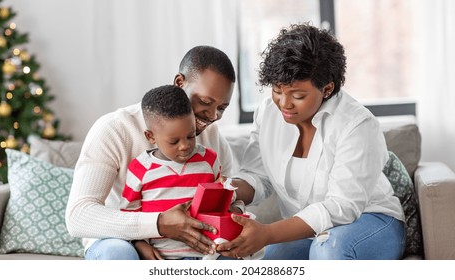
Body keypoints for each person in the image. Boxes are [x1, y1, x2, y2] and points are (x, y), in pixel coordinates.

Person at [216, 23, 406, 260]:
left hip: (372, 221)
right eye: (277, 90)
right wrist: (226, 190)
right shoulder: (267, 114)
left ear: (327, 89)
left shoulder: (357, 125)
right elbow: (258, 176)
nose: (284, 103)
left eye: (298, 96)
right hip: (309, 233)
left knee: (328, 251)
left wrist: (267, 233)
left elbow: (342, 207)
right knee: (257, 260)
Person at [65, 46, 236, 260]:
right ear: (179, 83)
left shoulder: (211, 137)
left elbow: (228, 192)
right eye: (205, 102)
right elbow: (78, 216)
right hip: (119, 239)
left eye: (222, 108)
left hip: (193, 247)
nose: (212, 116)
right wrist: (156, 226)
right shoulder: (115, 129)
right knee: (117, 254)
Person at [120, 84, 236, 260]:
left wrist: (231, 199)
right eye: (174, 141)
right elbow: (129, 214)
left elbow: (222, 202)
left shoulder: (209, 160)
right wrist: (138, 243)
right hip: (163, 257)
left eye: (191, 136)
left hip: (209, 255)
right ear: (151, 137)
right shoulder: (140, 169)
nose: (185, 146)